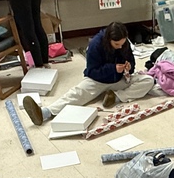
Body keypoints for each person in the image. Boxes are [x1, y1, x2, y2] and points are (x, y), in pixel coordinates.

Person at [22, 22, 155, 125]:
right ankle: (45, 112)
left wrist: (129, 67)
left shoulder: (123, 43)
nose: (120, 46)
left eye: (122, 43)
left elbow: (131, 63)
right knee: (77, 93)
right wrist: (112, 69)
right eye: (116, 44)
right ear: (109, 39)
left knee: (148, 80)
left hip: (119, 80)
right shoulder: (95, 45)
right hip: (98, 81)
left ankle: (115, 97)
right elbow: (92, 71)